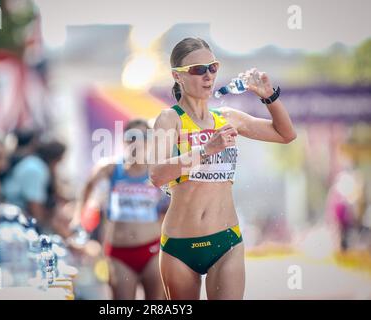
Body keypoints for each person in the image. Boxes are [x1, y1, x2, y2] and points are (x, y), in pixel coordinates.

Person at [149, 37, 297, 300]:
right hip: (180, 246)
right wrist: (206, 150)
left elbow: (286, 134)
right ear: (177, 76)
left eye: (213, 67)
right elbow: (156, 174)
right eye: (198, 70)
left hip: (226, 241)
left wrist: (269, 97)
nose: (208, 76)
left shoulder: (226, 117)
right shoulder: (170, 118)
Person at [73, 119, 168, 300]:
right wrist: (78, 218)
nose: (138, 142)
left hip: (152, 250)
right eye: (132, 136)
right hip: (120, 252)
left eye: (144, 136)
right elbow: (87, 185)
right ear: (124, 140)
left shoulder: (158, 170)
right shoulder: (110, 168)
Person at [1, 140, 66, 234]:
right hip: (13, 221)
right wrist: (43, 231)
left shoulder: (36, 164)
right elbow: (34, 205)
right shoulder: (36, 169)